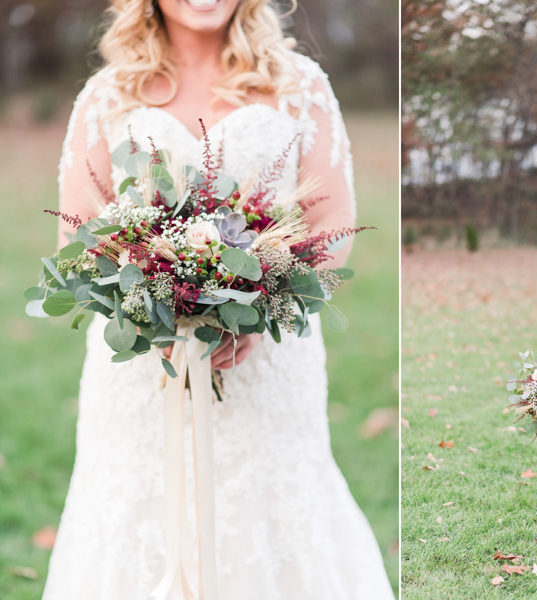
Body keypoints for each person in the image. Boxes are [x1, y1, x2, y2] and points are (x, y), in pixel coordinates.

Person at [44, 0, 395, 597]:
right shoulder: (109, 93)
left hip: (269, 362)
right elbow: (79, 231)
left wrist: (259, 309)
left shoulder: (299, 85)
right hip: (138, 370)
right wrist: (152, 318)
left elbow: (330, 218)